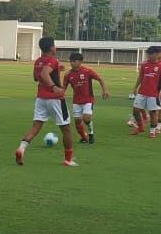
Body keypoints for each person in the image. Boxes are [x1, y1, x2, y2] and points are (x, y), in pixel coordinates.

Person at [15, 36, 77, 167]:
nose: (56, 47)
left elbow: (35, 78)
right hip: (55, 99)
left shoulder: (38, 61)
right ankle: (68, 160)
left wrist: (56, 70)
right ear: (51, 48)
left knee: (35, 127)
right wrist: (54, 87)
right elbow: (44, 74)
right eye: (54, 45)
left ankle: (21, 149)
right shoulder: (53, 60)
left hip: (41, 99)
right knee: (66, 129)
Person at [64, 52, 109, 143]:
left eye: (74, 61)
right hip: (76, 101)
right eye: (70, 61)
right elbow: (63, 88)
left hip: (88, 100)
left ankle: (91, 133)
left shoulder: (87, 71)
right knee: (77, 122)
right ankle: (84, 138)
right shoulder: (68, 74)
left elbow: (100, 79)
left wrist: (105, 90)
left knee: (86, 118)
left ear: (80, 62)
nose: (71, 63)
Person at [130, 46, 161, 138]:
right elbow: (141, 76)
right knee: (135, 110)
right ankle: (140, 127)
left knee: (153, 112)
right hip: (142, 92)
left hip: (153, 94)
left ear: (157, 55)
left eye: (151, 54)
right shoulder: (144, 64)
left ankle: (152, 131)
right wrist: (135, 87)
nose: (148, 56)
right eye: (148, 54)